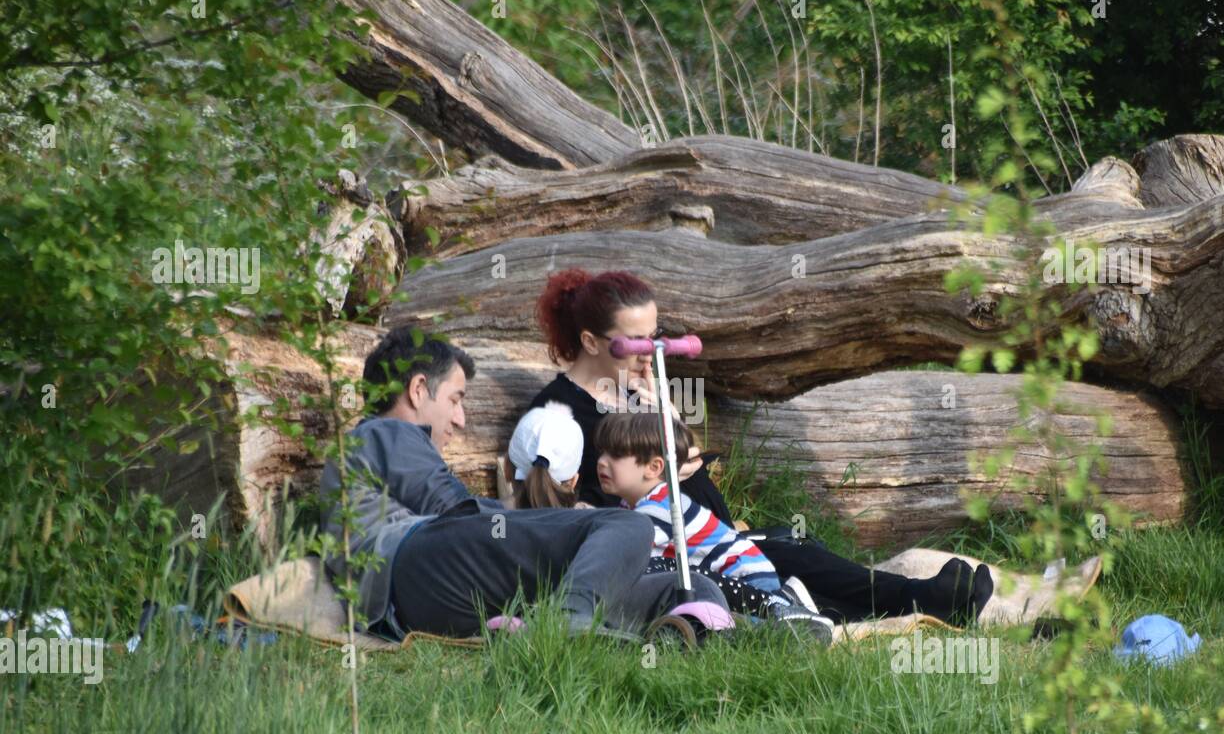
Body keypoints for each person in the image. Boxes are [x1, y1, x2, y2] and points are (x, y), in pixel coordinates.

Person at [523, 267, 995, 626]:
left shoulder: (637, 394)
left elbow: (692, 485)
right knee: (790, 560)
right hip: (663, 560)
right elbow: (588, 515)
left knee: (794, 549)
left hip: (708, 538)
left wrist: (668, 420)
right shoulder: (559, 416)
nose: (651, 354)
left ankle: (917, 598)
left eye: (655, 339)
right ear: (590, 340)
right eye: (637, 343)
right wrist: (669, 467)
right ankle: (921, 600)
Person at [318, 326, 732, 642]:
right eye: (456, 399)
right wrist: (562, 522)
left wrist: (556, 526)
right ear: (418, 388)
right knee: (628, 526)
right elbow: (453, 508)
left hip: (439, 590)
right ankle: (570, 625)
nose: (460, 420)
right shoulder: (382, 433)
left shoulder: (375, 445)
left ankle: (699, 633)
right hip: (415, 564)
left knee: (689, 586)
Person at [594, 411, 835, 644]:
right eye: (601, 452)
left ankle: (787, 610)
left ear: (654, 467)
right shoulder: (634, 506)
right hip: (721, 580)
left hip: (746, 579)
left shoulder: (663, 506)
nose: (601, 462)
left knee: (746, 630)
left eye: (614, 455)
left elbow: (626, 553)